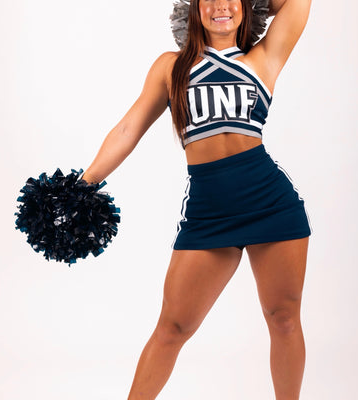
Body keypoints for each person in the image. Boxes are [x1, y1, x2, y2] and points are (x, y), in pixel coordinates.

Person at [81, 0, 312, 398]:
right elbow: (128, 129)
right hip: (209, 215)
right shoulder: (171, 68)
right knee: (172, 328)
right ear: (193, 8)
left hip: (271, 205)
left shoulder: (263, 58)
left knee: (284, 319)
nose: (220, 5)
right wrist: (84, 184)